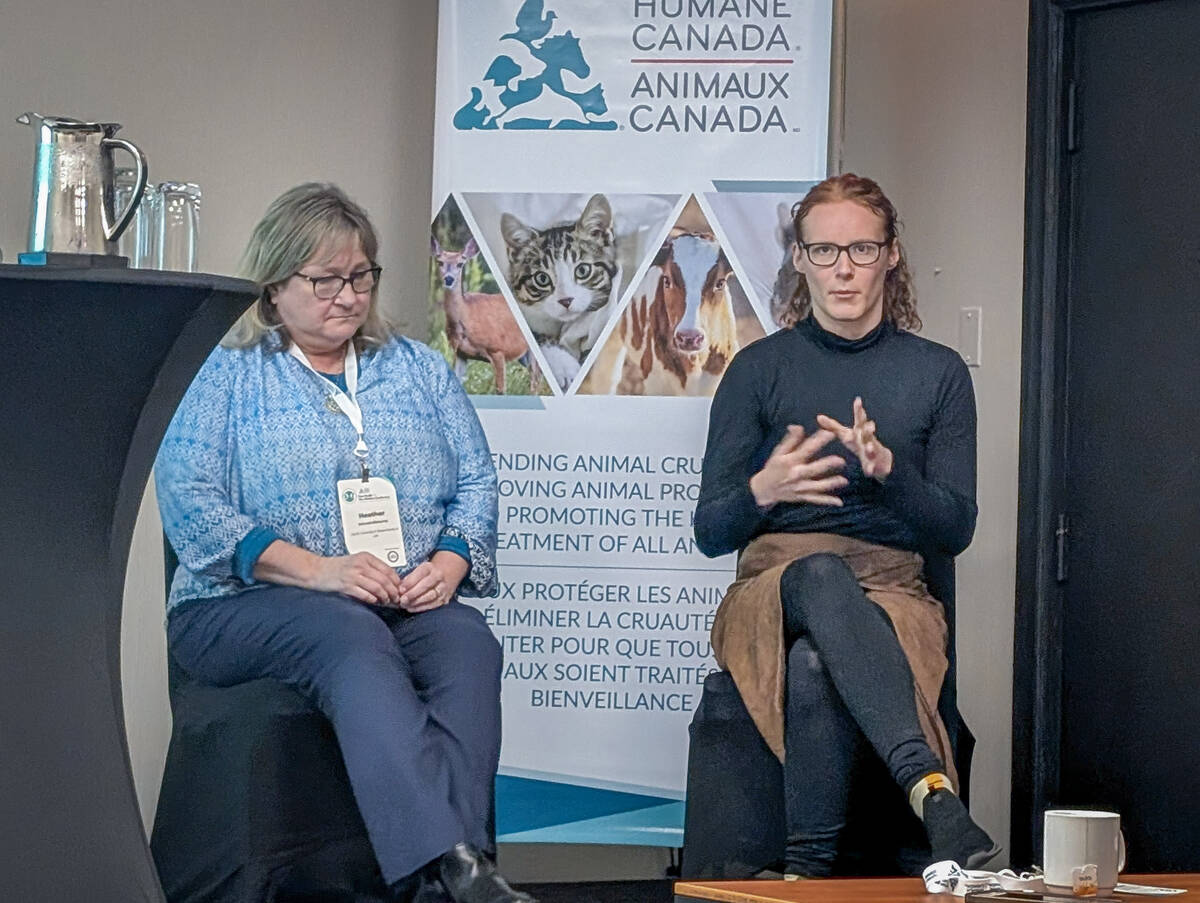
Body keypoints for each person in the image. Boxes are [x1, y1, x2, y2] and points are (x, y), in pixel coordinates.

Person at [155, 183, 534, 903]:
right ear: (274, 284)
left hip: (400, 596)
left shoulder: (418, 368)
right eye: (324, 279)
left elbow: (478, 481)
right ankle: (446, 865)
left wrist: (450, 562)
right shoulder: (226, 372)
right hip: (241, 603)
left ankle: (463, 875)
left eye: (360, 276)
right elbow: (189, 502)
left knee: (468, 644)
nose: (347, 295)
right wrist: (321, 571)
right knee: (349, 636)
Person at [693, 173, 1000, 878]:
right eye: (824, 251)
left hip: (894, 594)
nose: (844, 268)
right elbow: (712, 529)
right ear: (799, 259)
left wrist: (889, 473)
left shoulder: (938, 373)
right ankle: (932, 793)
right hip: (771, 588)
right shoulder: (757, 369)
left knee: (814, 664)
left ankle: (806, 871)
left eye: (861, 248)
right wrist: (763, 488)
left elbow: (955, 528)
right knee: (818, 573)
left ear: (891, 255)